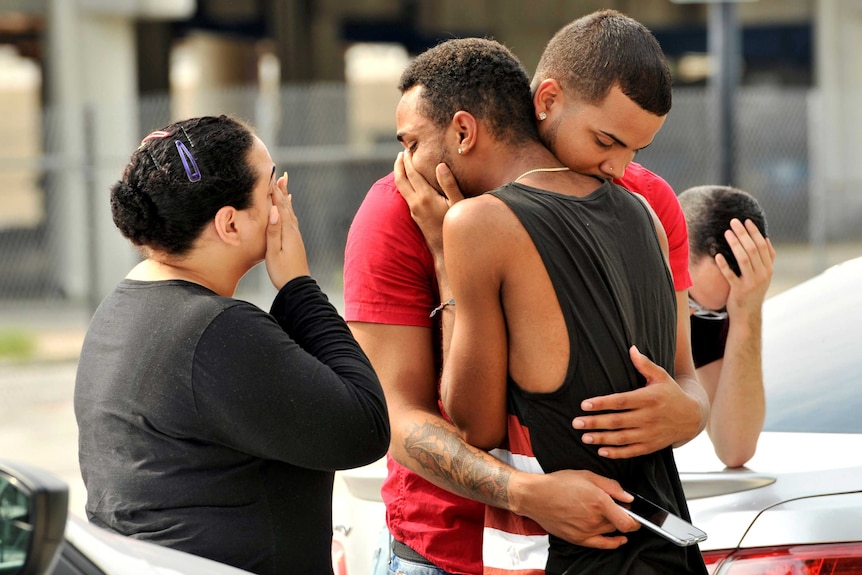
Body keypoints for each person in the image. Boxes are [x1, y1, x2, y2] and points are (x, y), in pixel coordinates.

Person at [344, 10, 708, 575]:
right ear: (546, 101)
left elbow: (685, 379)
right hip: (452, 551)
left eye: (635, 148)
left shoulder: (644, 201)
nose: (619, 166)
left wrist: (689, 413)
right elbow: (397, 414)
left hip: (613, 544)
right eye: (607, 141)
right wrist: (523, 493)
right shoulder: (397, 209)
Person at [74, 115, 390, 575]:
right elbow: (363, 425)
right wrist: (299, 287)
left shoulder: (120, 309)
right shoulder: (214, 331)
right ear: (229, 224)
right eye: (269, 189)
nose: (282, 201)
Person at [678, 185, 775, 468]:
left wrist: (746, 313)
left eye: (712, 312)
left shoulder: (713, 312)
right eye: (689, 299)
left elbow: (734, 448)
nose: (692, 315)